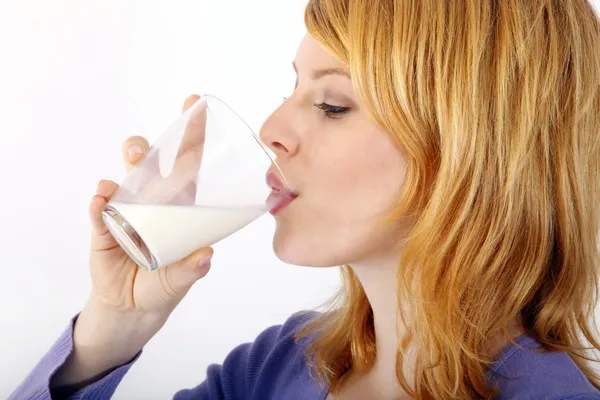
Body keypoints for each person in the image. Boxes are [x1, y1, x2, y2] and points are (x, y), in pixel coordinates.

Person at [10, 0, 600, 399]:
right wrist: (112, 329)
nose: (271, 128)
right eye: (292, 87)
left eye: (332, 105)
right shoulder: (278, 366)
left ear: (476, 148)